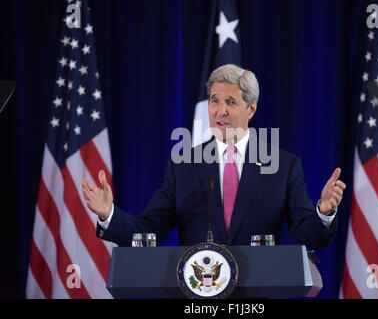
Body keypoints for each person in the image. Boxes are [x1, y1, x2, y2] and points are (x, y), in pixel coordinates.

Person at [81, 64, 346, 249]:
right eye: (214, 100)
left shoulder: (284, 167)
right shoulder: (183, 165)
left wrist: (323, 212)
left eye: (230, 102)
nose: (220, 111)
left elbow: (309, 236)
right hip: (198, 295)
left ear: (251, 108)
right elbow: (149, 230)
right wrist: (109, 215)